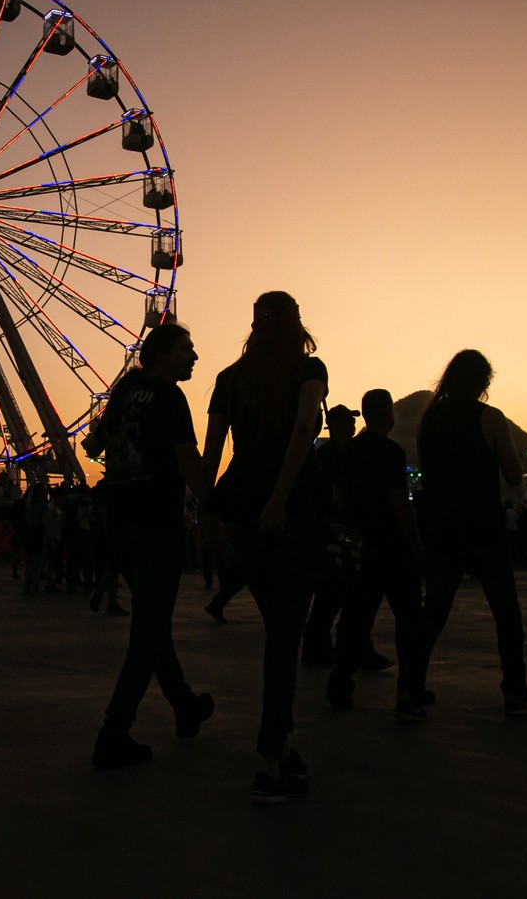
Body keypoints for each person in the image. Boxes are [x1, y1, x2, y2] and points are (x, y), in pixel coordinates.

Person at [200, 291, 325, 804]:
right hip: (292, 510)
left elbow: (211, 452)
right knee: (285, 637)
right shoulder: (309, 368)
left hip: (239, 507)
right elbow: (304, 426)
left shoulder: (229, 379)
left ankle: (285, 745)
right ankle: (271, 760)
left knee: (278, 629)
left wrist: (204, 515)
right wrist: (280, 498)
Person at [85, 323, 216, 769]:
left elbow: (93, 444)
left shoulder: (126, 393)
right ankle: (114, 731)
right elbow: (186, 458)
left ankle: (184, 705)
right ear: (161, 355)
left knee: (152, 621)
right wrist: (211, 509)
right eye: (186, 349)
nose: (194, 356)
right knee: (147, 632)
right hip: (156, 522)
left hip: (120, 521)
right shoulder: (168, 397)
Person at [411, 350, 527, 716]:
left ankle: (410, 690)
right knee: (506, 615)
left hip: (441, 531)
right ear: (483, 382)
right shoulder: (490, 418)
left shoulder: (428, 420)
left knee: (433, 612)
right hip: (483, 529)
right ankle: (515, 691)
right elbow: (514, 476)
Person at [324, 390, 427, 719]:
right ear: (390, 416)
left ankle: (340, 682)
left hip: (360, 547)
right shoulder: (392, 452)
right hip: (392, 545)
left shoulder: (348, 452)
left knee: (355, 616)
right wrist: (416, 546)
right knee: (408, 619)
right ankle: (408, 692)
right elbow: (400, 504)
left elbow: (338, 498)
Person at [301, 403, 358, 667]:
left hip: (342, 532)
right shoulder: (326, 457)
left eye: (352, 421)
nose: (352, 426)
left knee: (336, 596)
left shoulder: (345, 453)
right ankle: (316, 648)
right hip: (331, 534)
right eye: (346, 422)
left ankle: (324, 645)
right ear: (334, 426)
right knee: (329, 596)